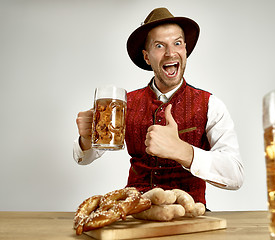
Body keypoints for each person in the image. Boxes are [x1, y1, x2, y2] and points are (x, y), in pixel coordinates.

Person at [73, 7, 244, 205]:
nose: (171, 53)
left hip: (189, 217)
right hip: (135, 212)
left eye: (177, 43)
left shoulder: (210, 104)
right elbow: (85, 158)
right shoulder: (124, 104)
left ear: (185, 50)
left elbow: (235, 174)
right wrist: (87, 138)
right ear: (147, 57)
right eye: (160, 46)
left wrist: (183, 151)